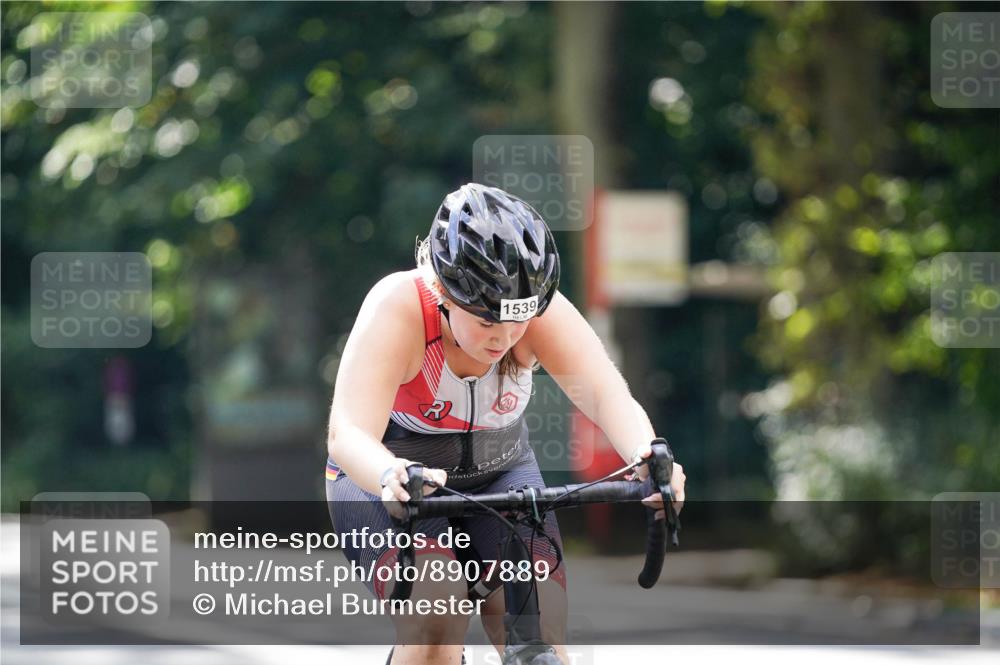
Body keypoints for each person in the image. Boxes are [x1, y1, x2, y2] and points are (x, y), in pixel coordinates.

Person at [325, 183, 686, 665]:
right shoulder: (399, 307)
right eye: (489, 324)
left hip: (501, 474)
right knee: (437, 616)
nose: (507, 337)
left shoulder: (537, 310)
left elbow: (607, 396)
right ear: (443, 294)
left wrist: (650, 458)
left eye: (518, 321)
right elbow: (347, 432)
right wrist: (390, 474)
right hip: (389, 480)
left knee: (540, 631)